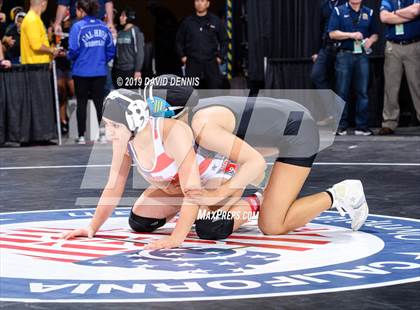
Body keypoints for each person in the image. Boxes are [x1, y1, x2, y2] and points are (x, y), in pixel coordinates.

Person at [144, 76, 370, 238]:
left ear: (170, 114)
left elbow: (255, 162)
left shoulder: (202, 127)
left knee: (273, 225)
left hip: (297, 131)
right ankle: (263, 195)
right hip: (270, 130)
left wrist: (220, 193)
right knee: (213, 210)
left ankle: (341, 194)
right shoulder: (191, 121)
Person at [63, 88, 264, 248]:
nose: (109, 133)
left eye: (114, 126)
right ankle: (194, 212)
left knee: (211, 227)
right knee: (140, 221)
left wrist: (176, 238)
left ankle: (254, 201)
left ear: (135, 121)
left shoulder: (172, 132)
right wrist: (92, 227)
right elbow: (114, 185)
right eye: (106, 125)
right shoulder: (124, 140)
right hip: (187, 186)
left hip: (220, 175)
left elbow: (192, 190)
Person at [68, 0, 115, 144]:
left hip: (81, 71)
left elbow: (73, 50)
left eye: (77, 9)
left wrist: (69, 56)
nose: (75, 12)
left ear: (82, 10)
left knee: (81, 103)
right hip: (99, 71)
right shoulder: (104, 27)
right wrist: (100, 60)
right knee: (99, 103)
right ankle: (102, 135)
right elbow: (111, 50)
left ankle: (81, 136)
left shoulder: (77, 27)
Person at [328, 0, 379, 136]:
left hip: (362, 56)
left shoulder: (369, 12)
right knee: (341, 91)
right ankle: (340, 125)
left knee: (362, 92)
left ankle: (362, 126)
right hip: (344, 55)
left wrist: (371, 40)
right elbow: (332, 33)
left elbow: (375, 33)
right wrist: (351, 35)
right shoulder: (339, 10)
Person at [378, 0, 420, 135]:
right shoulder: (388, 0)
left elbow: (415, 12)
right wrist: (406, 15)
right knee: (391, 87)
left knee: (417, 85)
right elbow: (384, 17)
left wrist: (394, 14)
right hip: (393, 46)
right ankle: (389, 123)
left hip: (414, 46)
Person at [176, 0, 228, 89]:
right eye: (197, 1)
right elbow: (179, 40)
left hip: (211, 62)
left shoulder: (215, 21)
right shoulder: (187, 22)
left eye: (202, 1)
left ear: (208, 4)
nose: (199, 3)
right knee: (191, 92)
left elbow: (224, 40)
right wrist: (182, 56)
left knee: (214, 91)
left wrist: (220, 57)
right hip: (192, 62)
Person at [20, 0, 63, 65]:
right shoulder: (32, 20)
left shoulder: (34, 19)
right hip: (36, 67)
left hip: (38, 66)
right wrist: (52, 50)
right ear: (43, 2)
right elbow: (37, 46)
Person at [112, 7, 144, 89]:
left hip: (130, 70)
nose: (120, 18)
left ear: (129, 17)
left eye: (123, 16)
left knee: (131, 96)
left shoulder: (135, 31)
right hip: (119, 69)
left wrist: (137, 70)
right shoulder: (120, 32)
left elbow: (140, 52)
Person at [55, 11, 74, 135]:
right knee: (61, 95)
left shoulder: (74, 29)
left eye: (66, 19)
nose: (65, 21)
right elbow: (52, 45)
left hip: (71, 65)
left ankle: (74, 121)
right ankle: (63, 122)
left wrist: (67, 54)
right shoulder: (56, 30)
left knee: (73, 93)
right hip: (60, 65)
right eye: (63, 19)